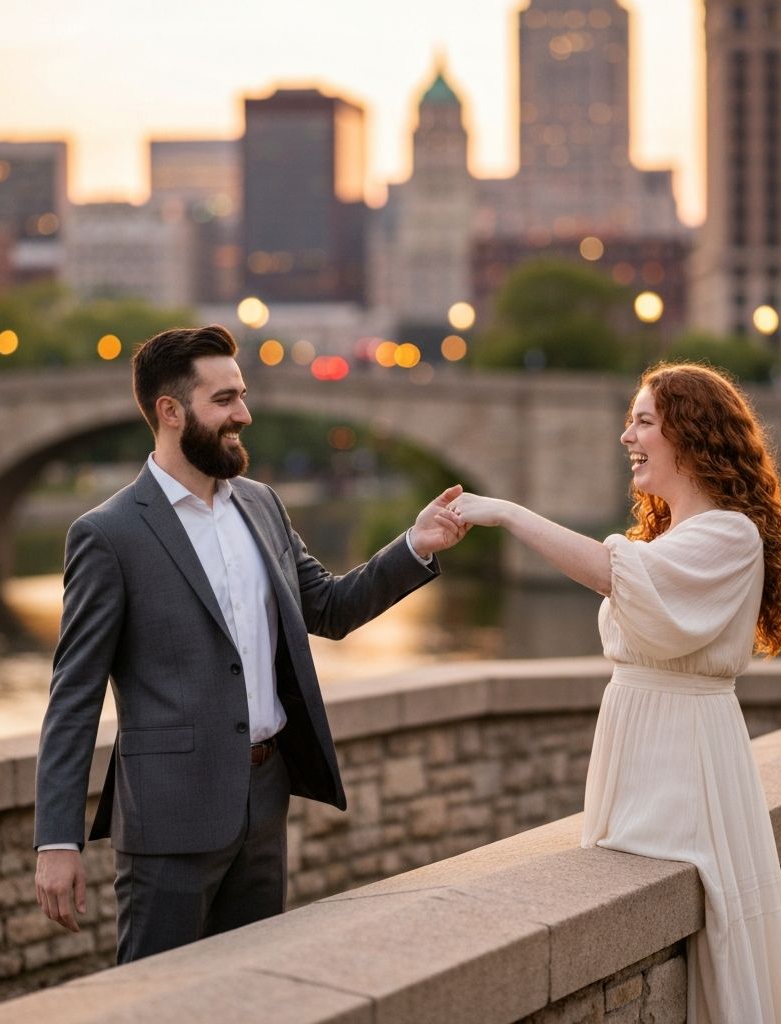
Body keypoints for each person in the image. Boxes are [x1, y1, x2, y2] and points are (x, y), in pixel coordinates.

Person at [34, 324, 467, 963]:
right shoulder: (108, 534)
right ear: (171, 412)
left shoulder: (261, 506)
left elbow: (329, 608)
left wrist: (413, 547)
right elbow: (73, 697)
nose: (245, 413)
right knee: (159, 1004)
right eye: (225, 400)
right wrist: (57, 840)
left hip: (264, 804)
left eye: (242, 395)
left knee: (252, 992)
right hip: (169, 818)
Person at [445, 363, 781, 1023]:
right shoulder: (672, 537)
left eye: (643, 421)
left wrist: (504, 511)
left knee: (715, 936)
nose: (626, 437)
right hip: (642, 742)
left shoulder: (728, 534)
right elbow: (630, 573)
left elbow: (612, 571)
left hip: (685, 757)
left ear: (691, 435)